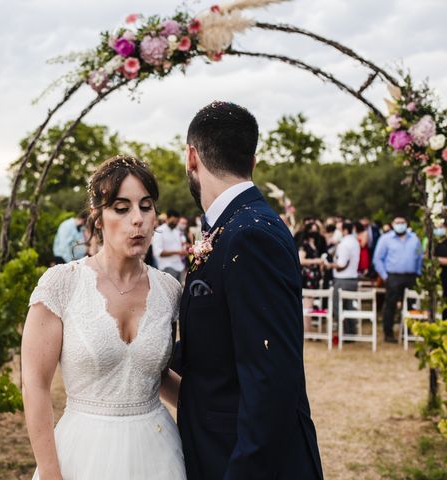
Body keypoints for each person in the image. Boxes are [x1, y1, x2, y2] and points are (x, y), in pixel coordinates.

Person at [177, 101, 323, 479]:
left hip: (243, 460)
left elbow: (271, 380)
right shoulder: (234, 225)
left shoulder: (250, 234)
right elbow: (219, 344)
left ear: (192, 157)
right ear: (253, 162)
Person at [21, 156, 187, 480]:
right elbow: (35, 386)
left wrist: (224, 410)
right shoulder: (61, 284)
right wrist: (52, 474)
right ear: (98, 217)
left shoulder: (169, 291)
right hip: (82, 453)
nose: (137, 220)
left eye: (146, 206)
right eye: (122, 208)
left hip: (158, 451)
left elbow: (158, 373)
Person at [373, 215, 423, 343]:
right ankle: (388, 333)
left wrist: (418, 272)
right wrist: (385, 276)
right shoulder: (386, 239)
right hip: (393, 276)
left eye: (402, 222)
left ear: (406, 224)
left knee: (411, 305)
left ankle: (409, 331)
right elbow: (378, 259)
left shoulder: (414, 239)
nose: (400, 224)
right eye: (397, 222)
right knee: (390, 305)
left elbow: (419, 256)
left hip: (411, 276)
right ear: (393, 224)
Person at [325, 221, 360, 335]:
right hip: (353, 279)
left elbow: (341, 265)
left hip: (342, 280)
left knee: (338, 307)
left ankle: (343, 332)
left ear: (345, 230)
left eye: (339, 230)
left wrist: (329, 265)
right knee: (349, 307)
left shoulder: (344, 244)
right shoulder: (355, 242)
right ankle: (351, 332)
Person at [152, 209, 188, 282]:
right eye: (173, 221)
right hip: (167, 267)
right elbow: (158, 253)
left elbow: (179, 245)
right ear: (167, 218)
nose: (175, 223)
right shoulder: (159, 231)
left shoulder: (176, 231)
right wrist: (178, 252)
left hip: (179, 266)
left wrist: (186, 247)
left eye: (177, 222)